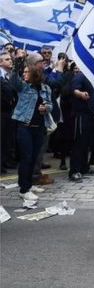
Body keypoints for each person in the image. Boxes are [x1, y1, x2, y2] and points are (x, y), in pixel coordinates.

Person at [10, 57, 54, 201]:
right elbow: (13, 81)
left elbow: (50, 106)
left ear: (35, 74)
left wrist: (45, 107)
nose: (24, 74)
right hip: (25, 127)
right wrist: (16, 67)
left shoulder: (45, 88)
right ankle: (24, 189)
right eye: (23, 72)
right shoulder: (24, 87)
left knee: (34, 158)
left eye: (27, 72)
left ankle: (29, 184)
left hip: (39, 128)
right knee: (26, 158)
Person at [0, 51, 17, 173]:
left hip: (9, 111)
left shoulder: (10, 75)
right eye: (7, 59)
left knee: (7, 138)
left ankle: (5, 161)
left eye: (10, 59)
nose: (10, 60)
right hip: (1, 111)